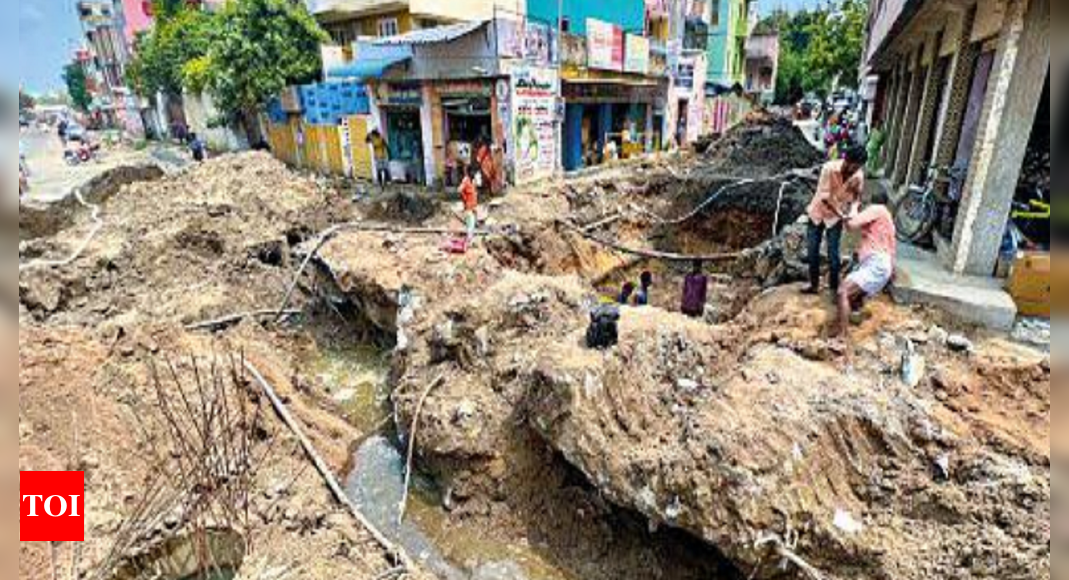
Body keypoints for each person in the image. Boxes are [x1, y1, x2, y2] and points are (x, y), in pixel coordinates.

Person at [804, 145, 868, 297]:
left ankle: (833, 289)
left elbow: (856, 199)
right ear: (846, 160)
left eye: (859, 167)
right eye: (854, 166)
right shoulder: (828, 169)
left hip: (834, 218)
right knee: (812, 251)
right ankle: (814, 285)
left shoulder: (858, 176)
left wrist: (852, 212)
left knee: (833, 255)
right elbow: (825, 198)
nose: (855, 170)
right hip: (818, 213)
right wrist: (841, 214)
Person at [837, 204, 897, 338]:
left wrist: (854, 206)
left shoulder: (877, 209)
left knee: (843, 291)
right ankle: (855, 316)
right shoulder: (888, 222)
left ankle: (841, 337)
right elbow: (892, 249)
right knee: (853, 290)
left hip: (876, 264)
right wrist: (892, 272)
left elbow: (851, 225)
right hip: (880, 264)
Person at [459, 165, 479, 244]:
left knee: (472, 224)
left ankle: (470, 240)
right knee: (470, 224)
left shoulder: (472, 181)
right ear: (470, 172)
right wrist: (464, 199)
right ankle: (469, 241)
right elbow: (460, 189)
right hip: (468, 206)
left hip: (473, 206)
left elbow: (473, 193)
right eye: (474, 172)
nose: (475, 174)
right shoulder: (466, 180)